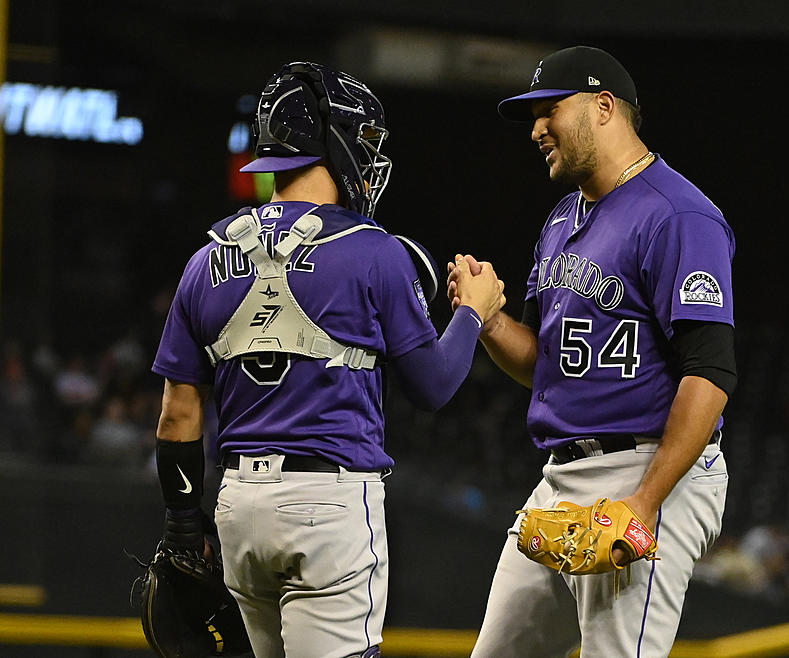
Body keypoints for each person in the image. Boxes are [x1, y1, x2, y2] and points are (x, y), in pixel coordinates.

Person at [150, 61, 504, 658]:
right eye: (361, 140)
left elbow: (176, 419)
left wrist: (184, 533)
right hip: (328, 504)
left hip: (239, 505)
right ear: (328, 142)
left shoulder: (203, 261)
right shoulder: (372, 252)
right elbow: (435, 386)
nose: (368, 156)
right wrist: (474, 312)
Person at [448, 46, 737, 656]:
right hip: (562, 476)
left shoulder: (679, 215)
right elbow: (543, 365)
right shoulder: (561, 220)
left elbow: (709, 375)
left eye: (549, 110)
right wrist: (489, 319)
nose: (535, 130)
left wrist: (645, 502)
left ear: (604, 106)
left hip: (650, 469)